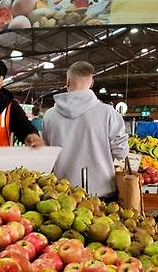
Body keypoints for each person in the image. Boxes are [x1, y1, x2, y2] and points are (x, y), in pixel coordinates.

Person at [42, 60, 129, 198]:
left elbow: (46, 155)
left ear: (68, 81)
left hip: (61, 194)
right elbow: (121, 152)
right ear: (92, 82)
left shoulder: (49, 116)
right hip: (101, 192)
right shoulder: (108, 113)